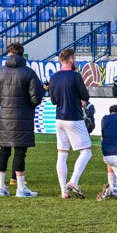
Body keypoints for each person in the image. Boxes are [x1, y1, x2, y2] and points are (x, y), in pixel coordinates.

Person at [0, 42, 44, 198]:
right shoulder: (29, 73)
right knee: (20, 152)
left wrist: (4, 102)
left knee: (4, 151)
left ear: (9, 54)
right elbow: (36, 98)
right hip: (23, 117)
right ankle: (20, 189)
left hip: (6, 117)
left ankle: (1, 187)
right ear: (22, 54)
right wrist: (28, 104)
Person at [49, 48, 93, 199]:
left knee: (62, 154)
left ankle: (64, 191)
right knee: (86, 151)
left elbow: (53, 100)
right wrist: (80, 100)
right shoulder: (75, 76)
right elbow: (85, 95)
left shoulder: (54, 77)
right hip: (73, 117)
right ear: (72, 59)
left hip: (59, 118)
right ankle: (73, 181)